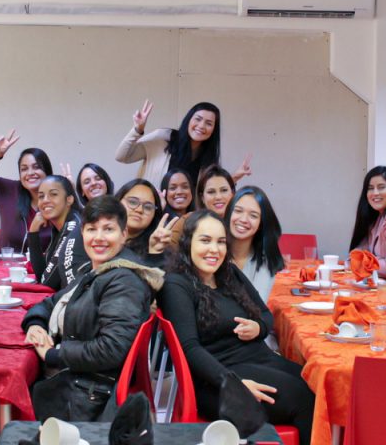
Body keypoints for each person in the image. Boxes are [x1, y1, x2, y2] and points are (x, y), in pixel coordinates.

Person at [159, 211, 315, 445]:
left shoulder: (228, 273)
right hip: (216, 379)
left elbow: (265, 313)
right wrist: (233, 383)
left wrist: (259, 327)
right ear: (188, 242)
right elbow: (189, 348)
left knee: (315, 384)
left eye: (220, 241)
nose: (214, 249)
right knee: (303, 400)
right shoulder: (176, 284)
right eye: (205, 240)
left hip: (256, 358)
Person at [22, 196, 164, 422]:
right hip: (77, 383)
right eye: (91, 229)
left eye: (108, 229)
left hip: (86, 396)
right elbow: (51, 302)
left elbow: (112, 348)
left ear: (123, 234)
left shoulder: (124, 281)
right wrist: (35, 324)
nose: (99, 238)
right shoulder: (94, 269)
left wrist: (54, 354)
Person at [115, 100, 252, 185]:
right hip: (150, 214)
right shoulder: (163, 138)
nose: (201, 126)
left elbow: (211, 192)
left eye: (209, 123)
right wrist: (137, 129)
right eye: (197, 119)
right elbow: (122, 156)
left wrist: (234, 177)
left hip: (185, 222)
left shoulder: (208, 161)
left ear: (213, 130)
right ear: (188, 120)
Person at [0, 129, 53, 255]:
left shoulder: (58, 199)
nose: (30, 173)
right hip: (5, 269)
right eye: (24, 169)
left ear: (47, 171)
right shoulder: (10, 190)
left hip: (43, 271)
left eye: (36, 167)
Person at [225, 186, 285, 304]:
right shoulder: (215, 253)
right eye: (238, 211)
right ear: (229, 213)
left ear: (261, 224)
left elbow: (259, 305)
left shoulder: (264, 261)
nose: (243, 219)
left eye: (253, 215)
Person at [29, 175, 85, 290]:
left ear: (69, 199)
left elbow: (47, 282)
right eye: (41, 196)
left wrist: (32, 234)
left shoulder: (73, 227)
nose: (45, 200)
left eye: (53, 194)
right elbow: (41, 274)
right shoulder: (60, 227)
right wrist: (33, 232)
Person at [115, 178, 176, 269]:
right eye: (132, 202)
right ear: (118, 201)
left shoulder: (157, 247)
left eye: (148, 207)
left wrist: (154, 254)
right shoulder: (98, 235)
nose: (139, 210)